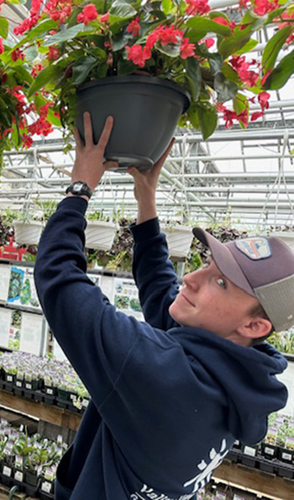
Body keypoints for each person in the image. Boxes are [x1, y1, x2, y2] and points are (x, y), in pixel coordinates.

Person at [34, 112, 293, 500]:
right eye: (206, 265)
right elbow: (164, 296)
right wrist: (146, 200)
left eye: (220, 282)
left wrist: (80, 187)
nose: (191, 278)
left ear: (255, 326)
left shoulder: (161, 378)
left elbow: (59, 280)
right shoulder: (236, 378)